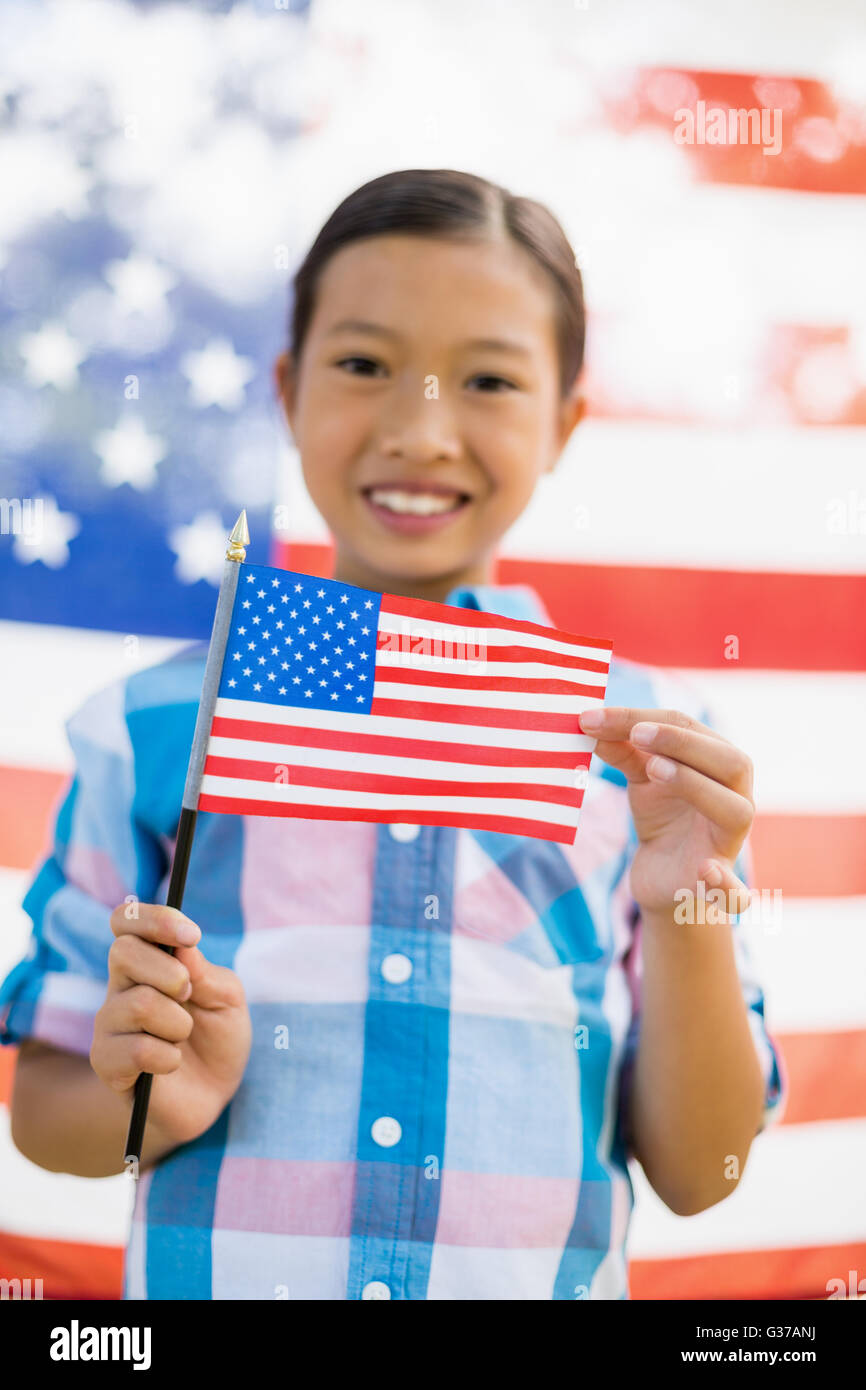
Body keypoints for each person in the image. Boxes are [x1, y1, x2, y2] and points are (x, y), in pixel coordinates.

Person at [1, 168, 786, 1301]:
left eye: (488, 380)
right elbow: (48, 1110)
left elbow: (698, 1169)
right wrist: (150, 1102)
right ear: (286, 390)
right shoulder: (159, 724)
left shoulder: (655, 756)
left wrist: (685, 906)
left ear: (564, 420)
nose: (421, 430)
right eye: (364, 365)